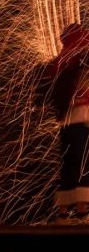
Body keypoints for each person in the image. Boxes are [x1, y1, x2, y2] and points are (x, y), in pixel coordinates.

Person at [39, 23, 89, 224]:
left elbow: (49, 88)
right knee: (84, 163)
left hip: (66, 120)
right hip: (83, 118)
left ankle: (62, 212)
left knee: (69, 163)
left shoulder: (61, 61)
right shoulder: (81, 59)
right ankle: (82, 209)